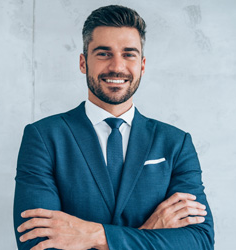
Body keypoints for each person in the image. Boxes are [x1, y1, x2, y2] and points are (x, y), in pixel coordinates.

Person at [13, 5, 214, 250]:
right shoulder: (43, 138)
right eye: (103, 53)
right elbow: (37, 244)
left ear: (142, 64)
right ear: (83, 62)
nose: (117, 67)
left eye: (129, 54)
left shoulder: (176, 143)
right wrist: (148, 233)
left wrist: (96, 235)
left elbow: (200, 241)